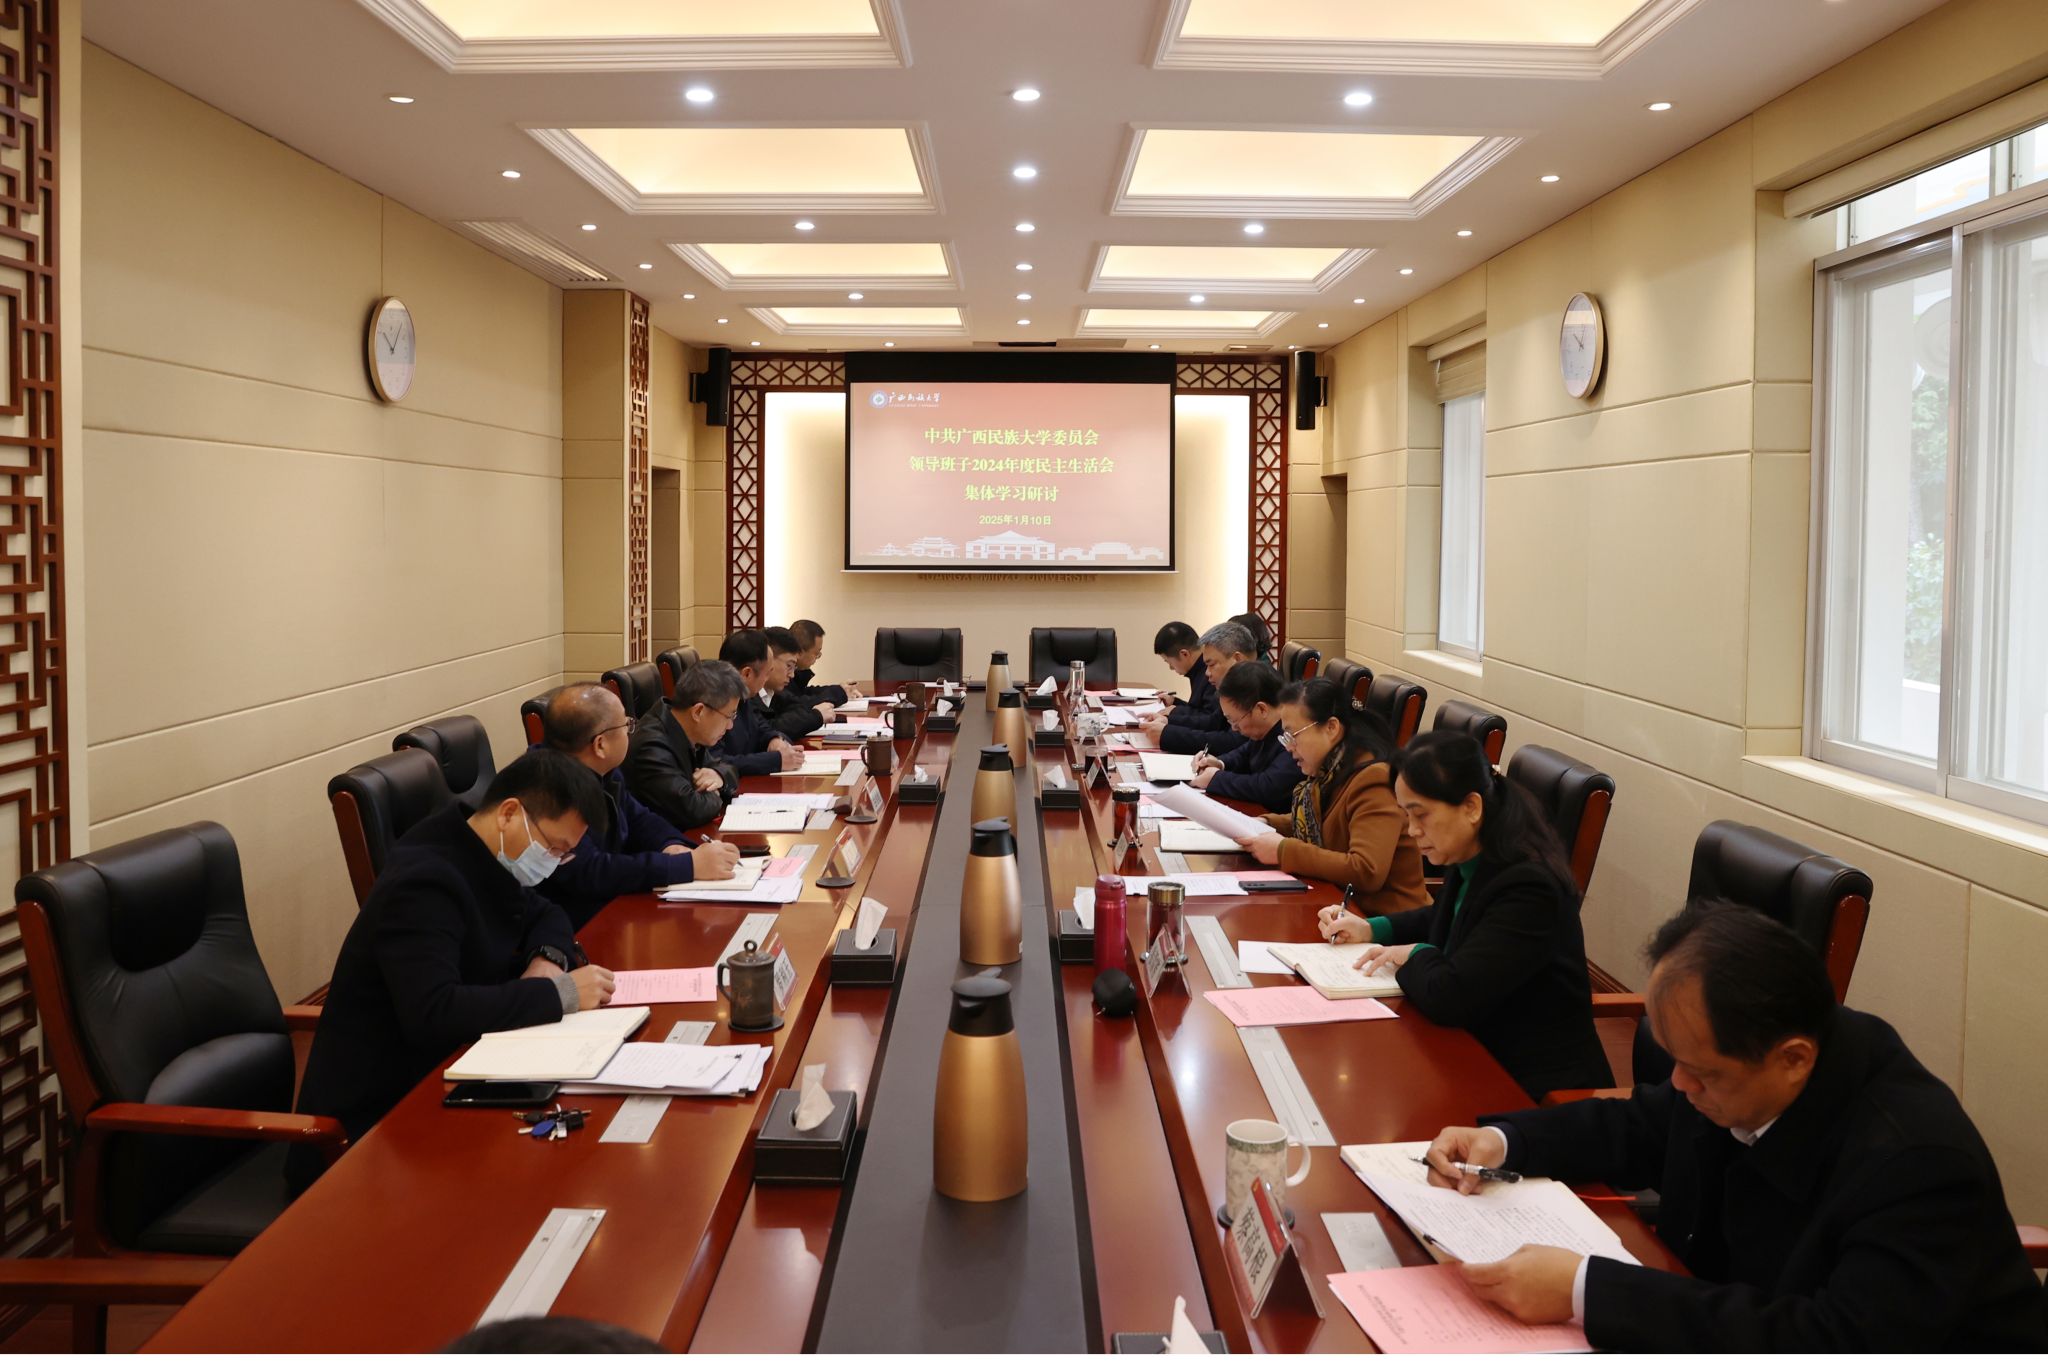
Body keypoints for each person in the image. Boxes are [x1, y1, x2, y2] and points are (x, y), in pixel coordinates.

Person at [1421, 901, 2048, 1353]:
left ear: (1793, 1058)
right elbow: (1642, 1124)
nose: (1680, 1085)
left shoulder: (1917, 1164)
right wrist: (1504, 1142)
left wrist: (1587, 1290)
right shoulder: (1744, 1070)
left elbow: (1832, 1341)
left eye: (1700, 1073)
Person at [291, 750, 617, 1188]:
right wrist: (560, 994)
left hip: (452, 1070)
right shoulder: (423, 881)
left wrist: (547, 959)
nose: (553, 862)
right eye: (554, 848)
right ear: (509, 814)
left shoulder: (483, 850)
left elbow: (547, 913)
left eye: (565, 855)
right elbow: (435, 1012)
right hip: (376, 1128)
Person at [1317, 730, 1609, 1098]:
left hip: (1532, 1088)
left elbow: (1451, 997)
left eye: (1421, 815)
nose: (1412, 830)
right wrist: (1372, 928)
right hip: (1473, 1047)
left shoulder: (1529, 887)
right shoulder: (1475, 851)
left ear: (1471, 807)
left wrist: (1415, 953)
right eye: (1406, 815)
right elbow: (1449, 916)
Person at [532, 682, 740, 927]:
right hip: (576, 923)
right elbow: (590, 871)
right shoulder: (548, 788)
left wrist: (672, 845)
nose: (632, 732)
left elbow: (639, 818)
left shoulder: (602, 769)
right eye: (626, 725)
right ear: (600, 744)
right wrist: (687, 866)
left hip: (612, 906)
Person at [1235, 676, 1430, 915]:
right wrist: (1265, 824)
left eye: (1293, 735)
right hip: (1339, 908)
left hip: (1386, 921)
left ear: (1331, 728)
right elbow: (1326, 823)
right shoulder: (1331, 770)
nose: (1288, 747)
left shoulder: (1374, 778)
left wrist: (1283, 850)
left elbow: (1366, 870)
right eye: (1285, 738)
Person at [624, 659, 746, 831]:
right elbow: (692, 810)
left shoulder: (687, 728)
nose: (730, 726)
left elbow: (725, 767)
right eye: (729, 716)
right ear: (698, 712)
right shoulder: (651, 746)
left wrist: (719, 776)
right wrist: (716, 792)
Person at [1187, 661, 1301, 812]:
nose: (1234, 728)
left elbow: (1268, 787)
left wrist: (1216, 778)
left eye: (1234, 721)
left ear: (1261, 709)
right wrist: (1219, 763)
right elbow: (1245, 753)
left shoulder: (1294, 734)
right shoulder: (1264, 729)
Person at [1144, 620, 1259, 755]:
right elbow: (1214, 722)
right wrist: (1168, 721)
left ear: (1237, 660)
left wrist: (1168, 735)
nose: (1207, 673)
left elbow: (1232, 742)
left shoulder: (1259, 689)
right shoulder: (1237, 688)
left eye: (1212, 664)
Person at [709, 630, 807, 775]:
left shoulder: (744, 695)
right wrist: (776, 761)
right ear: (747, 674)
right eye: (767, 673)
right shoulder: (713, 702)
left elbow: (761, 726)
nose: (766, 680)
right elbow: (715, 762)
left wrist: (773, 740)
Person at [761, 626, 834, 739]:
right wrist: (815, 716)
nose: (792, 675)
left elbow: (799, 706)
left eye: (794, 667)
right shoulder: (747, 696)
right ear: (768, 659)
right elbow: (766, 731)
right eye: (788, 666)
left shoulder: (775, 692)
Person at [787, 618, 860, 707]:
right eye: (816, 653)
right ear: (800, 652)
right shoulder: (782, 674)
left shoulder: (796, 672)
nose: (818, 657)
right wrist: (838, 693)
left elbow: (805, 692)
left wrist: (840, 689)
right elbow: (797, 703)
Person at [1152, 621, 1216, 721]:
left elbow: (1209, 719)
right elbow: (1197, 709)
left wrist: (1175, 712)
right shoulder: (1198, 670)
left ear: (1184, 654)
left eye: (1169, 662)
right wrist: (1174, 702)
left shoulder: (1211, 673)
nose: (1171, 668)